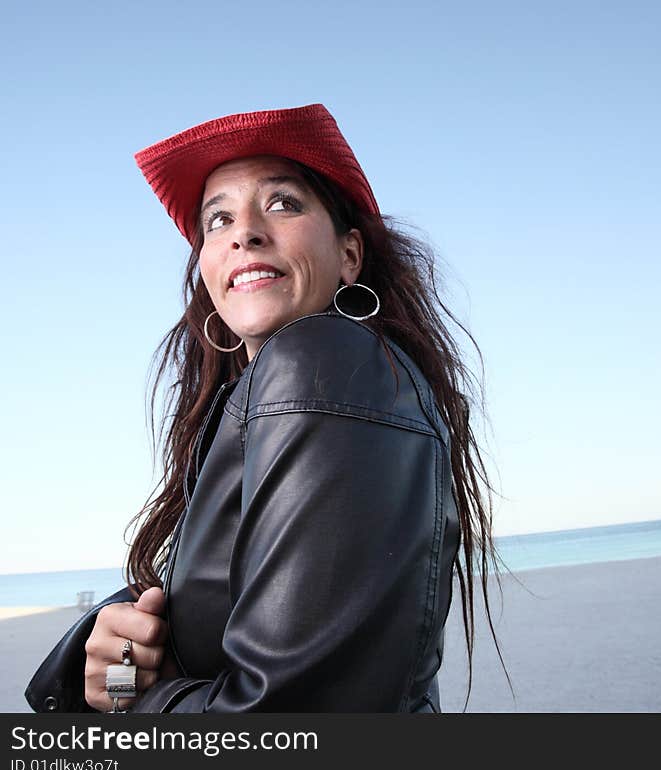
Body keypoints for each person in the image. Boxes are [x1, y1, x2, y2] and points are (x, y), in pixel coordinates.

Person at [68, 104, 509, 713]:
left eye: (282, 203)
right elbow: (155, 665)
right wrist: (120, 668)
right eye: (217, 219)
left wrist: (134, 708)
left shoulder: (325, 367)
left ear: (349, 255)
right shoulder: (254, 406)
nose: (243, 231)